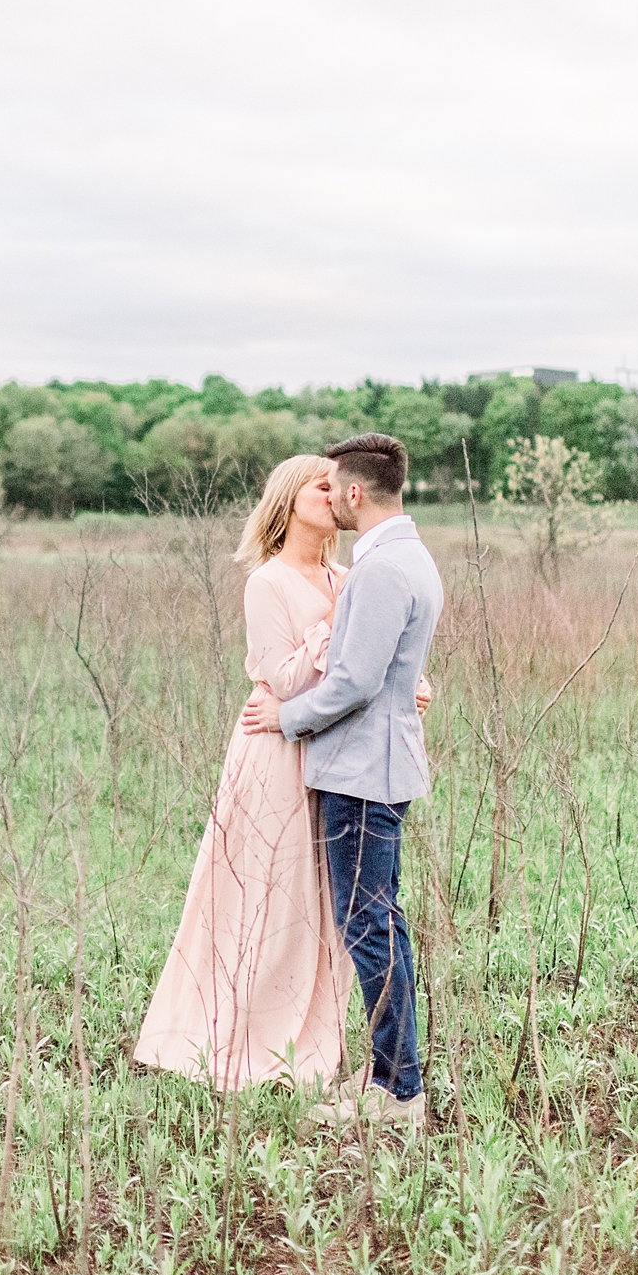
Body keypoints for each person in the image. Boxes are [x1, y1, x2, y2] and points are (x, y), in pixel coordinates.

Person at [134, 454, 428, 1091]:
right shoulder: (267, 583)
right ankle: (246, 1036)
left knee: (327, 908)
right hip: (275, 750)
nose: (333, 497)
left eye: (335, 487)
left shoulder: (350, 576)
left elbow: (374, 662)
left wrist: (409, 687)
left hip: (334, 752)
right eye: (318, 488)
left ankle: (314, 1038)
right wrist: (331, 628)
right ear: (289, 502)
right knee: (271, 899)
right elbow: (282, 679)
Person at [241, 432, 443, 1128]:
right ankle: (392, 1079)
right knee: (380, 922)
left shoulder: (381, 570)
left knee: (370, 925)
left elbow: (354, 681)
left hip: (362, 773)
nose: (330, 499)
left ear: (356, 493)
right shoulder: (406, 558)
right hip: (377, 766)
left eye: (334, 487)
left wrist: (286, 715)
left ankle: (396, 1092)